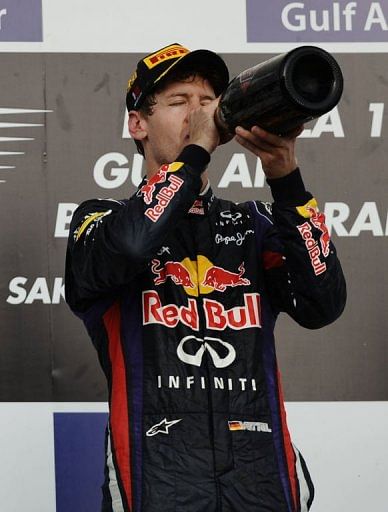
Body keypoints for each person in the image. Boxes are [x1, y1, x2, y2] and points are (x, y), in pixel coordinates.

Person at [65, 43, 346, 512]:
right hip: (157, 475)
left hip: (261, 477)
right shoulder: (100, 219)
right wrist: (194, 151)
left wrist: (286, 179)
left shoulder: (254, 224)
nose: (198, 112)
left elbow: (323, 302)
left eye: (207, 102)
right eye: (178, 102)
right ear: (138, 124)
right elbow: (133, 245)